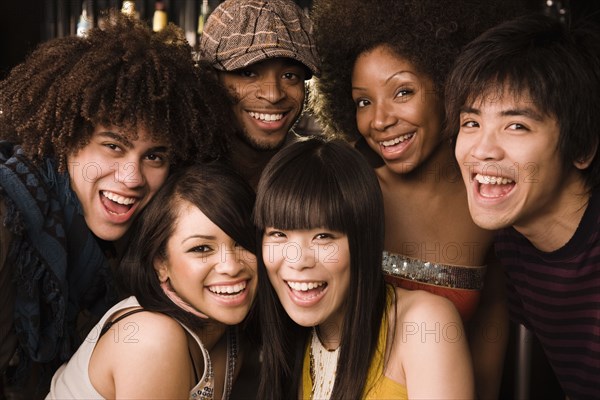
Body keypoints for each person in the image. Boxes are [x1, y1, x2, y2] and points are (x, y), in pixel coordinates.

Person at [0, 14, 234, 396]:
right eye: (113, 146)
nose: (132, 178)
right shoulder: (10, 217)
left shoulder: (125, 245)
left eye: (154, 156)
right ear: (66, 140)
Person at [309, 1, 531, 397]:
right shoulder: (349, 198)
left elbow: (488, 343)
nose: (379, 120)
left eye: (403, 91)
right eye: (364, 101)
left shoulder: (492, 204)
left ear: (450, 85)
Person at [446, 14, 600, 399]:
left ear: (581, 147)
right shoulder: (510, 242)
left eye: (516, 126)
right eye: (471, 122)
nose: (482, 149)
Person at [255, 136, 474, 399]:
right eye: (279, 234)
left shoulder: (424, 325)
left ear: (362, 241)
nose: (298, 261)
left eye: (323, 236)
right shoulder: (294, 341)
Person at [46, 163, 257, 399]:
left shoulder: (231, 334)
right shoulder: (150, 338)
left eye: (242, 241)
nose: (230, 266)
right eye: (201, 248)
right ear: (161, 264)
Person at [198, 0, 320, 189]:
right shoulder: (177, 178)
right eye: (248, 73)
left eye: (289, 76)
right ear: (211, 79)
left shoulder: (319, 176)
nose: (273, 95)